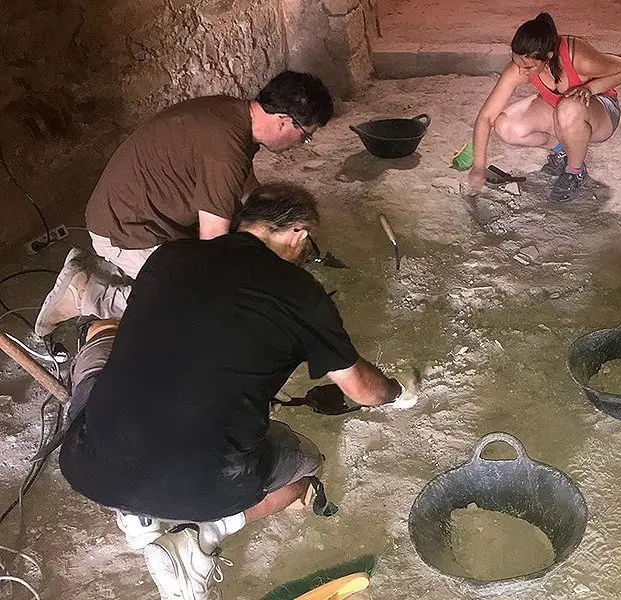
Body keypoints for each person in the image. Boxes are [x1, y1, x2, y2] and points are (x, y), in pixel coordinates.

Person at [55, 184, 418, 599]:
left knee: (104, 335)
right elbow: (361, 388)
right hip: (206, 483)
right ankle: (203, 535)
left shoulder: (171, 256)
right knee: (305, 471)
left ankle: (138, 517)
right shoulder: (301, 293)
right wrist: (396, 391)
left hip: (90, 464)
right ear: (298, 233)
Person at [34, 70, 334, 337]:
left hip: (139, 216)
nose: (301, 144)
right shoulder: (224, 151)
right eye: (305, 137)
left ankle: (123, 272)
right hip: (126, 230)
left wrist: (282, 220)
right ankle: (88, 293)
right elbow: (212, 250)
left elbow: (247, 193)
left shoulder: (232, 114)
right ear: (285, 122)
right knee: (197, 300)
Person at [467, 12, 621, 203]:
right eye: (517, 62)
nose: (521, 71)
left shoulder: (575, 55)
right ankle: (562, 150)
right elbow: (486, 117)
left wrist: (589, 88)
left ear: (548, 56)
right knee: (505, 127)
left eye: (528, 67)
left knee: (568, 108)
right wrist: (478, 166)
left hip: (600, 112)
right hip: (560, 111)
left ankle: (575, 172)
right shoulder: (522, 65)